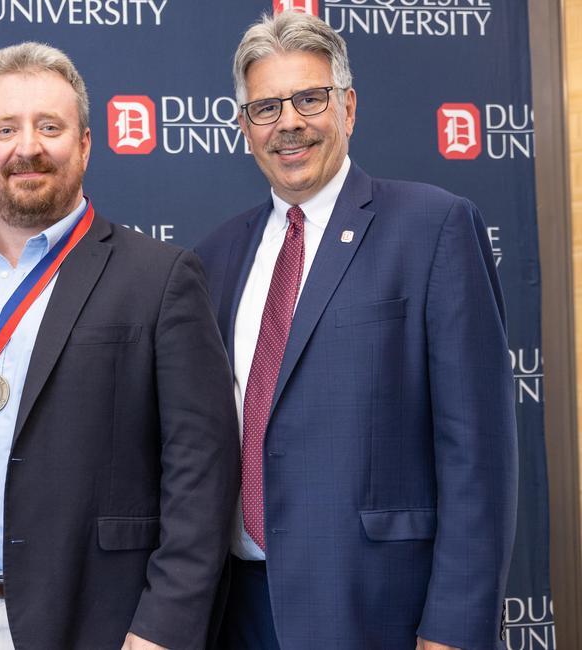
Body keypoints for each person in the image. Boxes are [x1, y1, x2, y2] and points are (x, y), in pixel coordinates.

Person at [0, 42, 238, 650]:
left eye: (50, 126)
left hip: (99, 620)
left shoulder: (161, 277)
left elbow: (201, 471)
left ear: (86, 144)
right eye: (6, 129)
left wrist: (162, 628)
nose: (28, 148)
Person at [195, 11, 517, 650]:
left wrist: (452, 629)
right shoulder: (215, 257)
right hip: (236, 609)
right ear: (243, 127)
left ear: (347, 106)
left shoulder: (434, 227)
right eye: (265, 108)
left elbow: (478, 454)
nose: (289, 122)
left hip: (374, 611)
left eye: (309, 98)